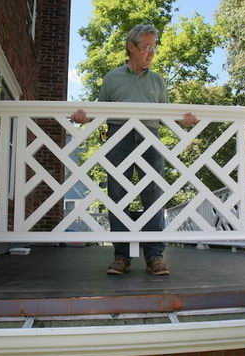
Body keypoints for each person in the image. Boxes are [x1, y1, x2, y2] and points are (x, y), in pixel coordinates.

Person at [72, 24, 198, 277]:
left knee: (153, 195)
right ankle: (121, 256)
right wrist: (82, 116)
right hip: (119, 135)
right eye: (146, 47)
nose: (151, 53)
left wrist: (183, 119)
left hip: (150, 136)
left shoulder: (158, 81)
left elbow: (167, 117)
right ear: (131, 47)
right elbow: (98, 113)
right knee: (117, 194)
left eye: (154, 47)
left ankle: (155, 257)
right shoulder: (112, 78)